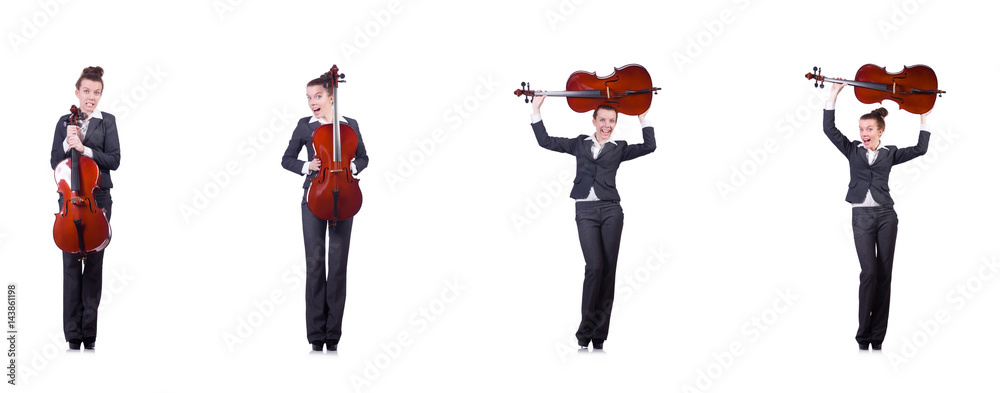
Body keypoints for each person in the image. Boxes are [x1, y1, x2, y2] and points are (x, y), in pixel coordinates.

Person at [530, 95, 655, 349]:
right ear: (594, 120)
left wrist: (643, 118)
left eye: (612, 120)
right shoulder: (579, 144)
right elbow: (546, 141)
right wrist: (536, 109)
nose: (607, 125)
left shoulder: (619, 147)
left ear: (616, 122)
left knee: (608, 272)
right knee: (594, 267)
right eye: (602, 120)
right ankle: (584, 333)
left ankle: (599, 336)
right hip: (585, 211)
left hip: (611, 210)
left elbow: (649, 146)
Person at [824, 82, 930, 351]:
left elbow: (920, 149)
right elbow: (829, 129)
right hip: (861, 217)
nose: (864, 133)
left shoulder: (890, 153)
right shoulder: (853, 150)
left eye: (869, 129)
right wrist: (833, 96)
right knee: (869, 273)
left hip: (886, 216)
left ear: (880, 131)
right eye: (861, 129)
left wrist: (924, 117)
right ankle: (863, 337)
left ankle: (878, 338)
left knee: (884, 275)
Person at [281, 73, 368, 352]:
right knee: (316, 266)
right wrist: (308, 167)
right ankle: (316, 336)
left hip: (345, 195)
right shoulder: (305, 127)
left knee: (339, 266)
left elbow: (364, 157)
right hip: (314, 198)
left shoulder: (350, 125)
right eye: (308, 97)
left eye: (317, 96)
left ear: (332, 97)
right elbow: (287, 159)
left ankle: (334, 336)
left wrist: (352, 168)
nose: (312, 102)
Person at [49, 66, 121, 350]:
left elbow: (114, 160)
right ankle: (72, 336)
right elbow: (54, 161)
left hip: (97, 199)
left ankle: (88, 335)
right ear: (77, 92)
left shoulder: (108, 122)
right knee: (69, 265)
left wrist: (85, 148)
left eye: (97, 93)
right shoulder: (64, 122)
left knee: (93, 264)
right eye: (87, 92)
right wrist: (69, 144)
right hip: (69, 200)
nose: (91, 97)